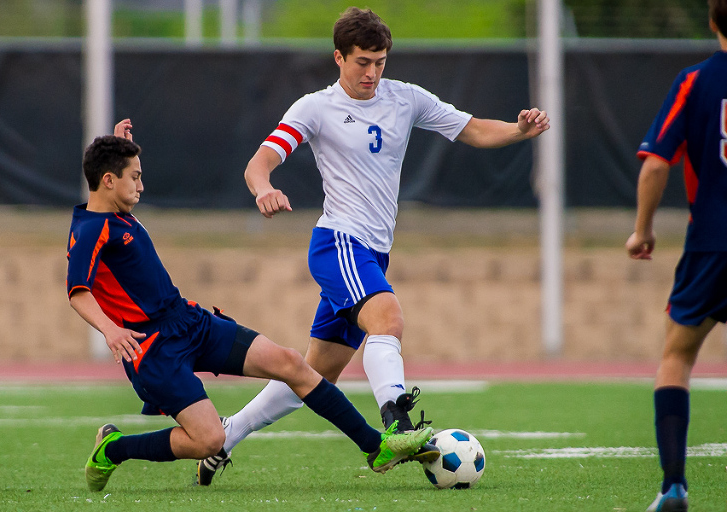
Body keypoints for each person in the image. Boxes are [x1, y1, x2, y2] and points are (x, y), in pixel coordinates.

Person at [197, 6, 550, 484]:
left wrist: (518, 130)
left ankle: (225, 434)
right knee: (389, 317)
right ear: (339, 57)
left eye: (380, 62)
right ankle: (398, 424)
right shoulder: (314, 107)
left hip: (372, 252)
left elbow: (470, 129)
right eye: (363, 62)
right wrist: (263, 188)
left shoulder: (406, 99)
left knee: (314, 375)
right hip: (339, 241)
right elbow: (259, 163)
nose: (372, 73)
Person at [68, 118, 433, 492]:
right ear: (109, 180)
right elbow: (77, 290)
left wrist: (116, 147)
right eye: (134, 177)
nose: (142, 185)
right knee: (209, 440)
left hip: (188, 321)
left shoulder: (116, 210)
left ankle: (377, 448)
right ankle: (115, 449)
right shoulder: (91, 229)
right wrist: (111, 331)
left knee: (290, 362)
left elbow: (110, 185)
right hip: (153, 349)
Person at [625, 1, 727, 511]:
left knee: (677, 357)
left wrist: (642, 230)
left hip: (711, 243)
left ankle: (673, 487)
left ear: (713, 21)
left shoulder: (696, 81)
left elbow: (655, 165)